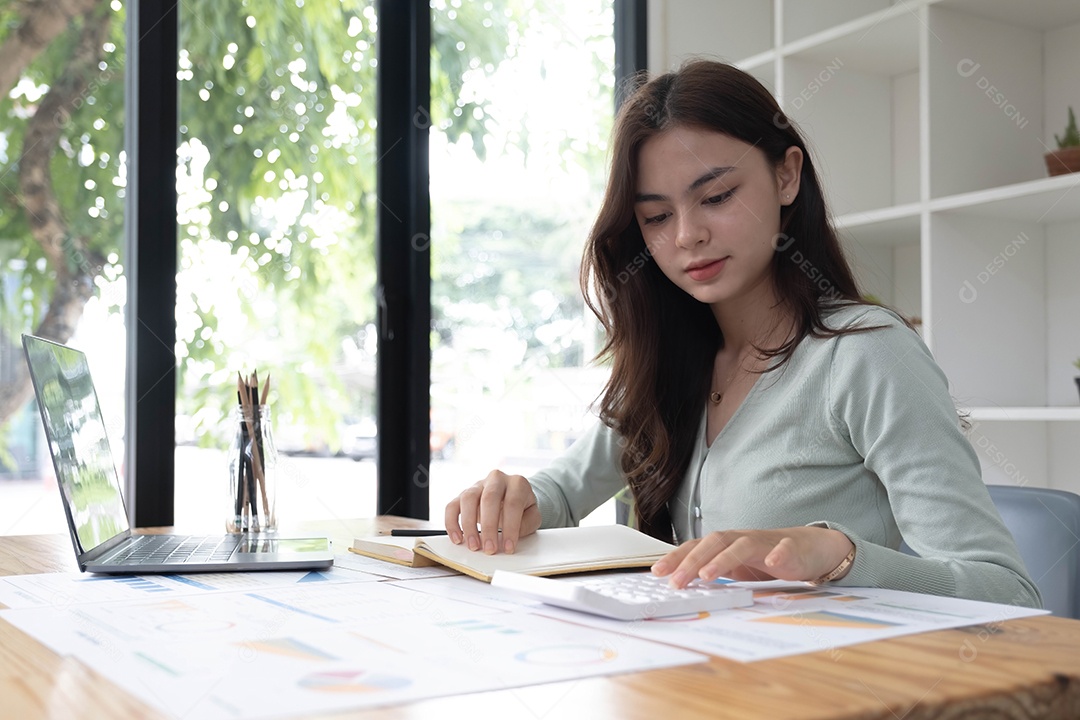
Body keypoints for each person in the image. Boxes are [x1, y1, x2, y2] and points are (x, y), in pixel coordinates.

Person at [444, 59, 1040, 608]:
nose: (686, 236)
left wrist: (838, 556)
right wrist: (512, 500)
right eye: (656, 217)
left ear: (787, 176)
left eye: (718, 196)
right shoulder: (671, 360)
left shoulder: (865, 354)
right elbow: (564, 493)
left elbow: (1009, 594)